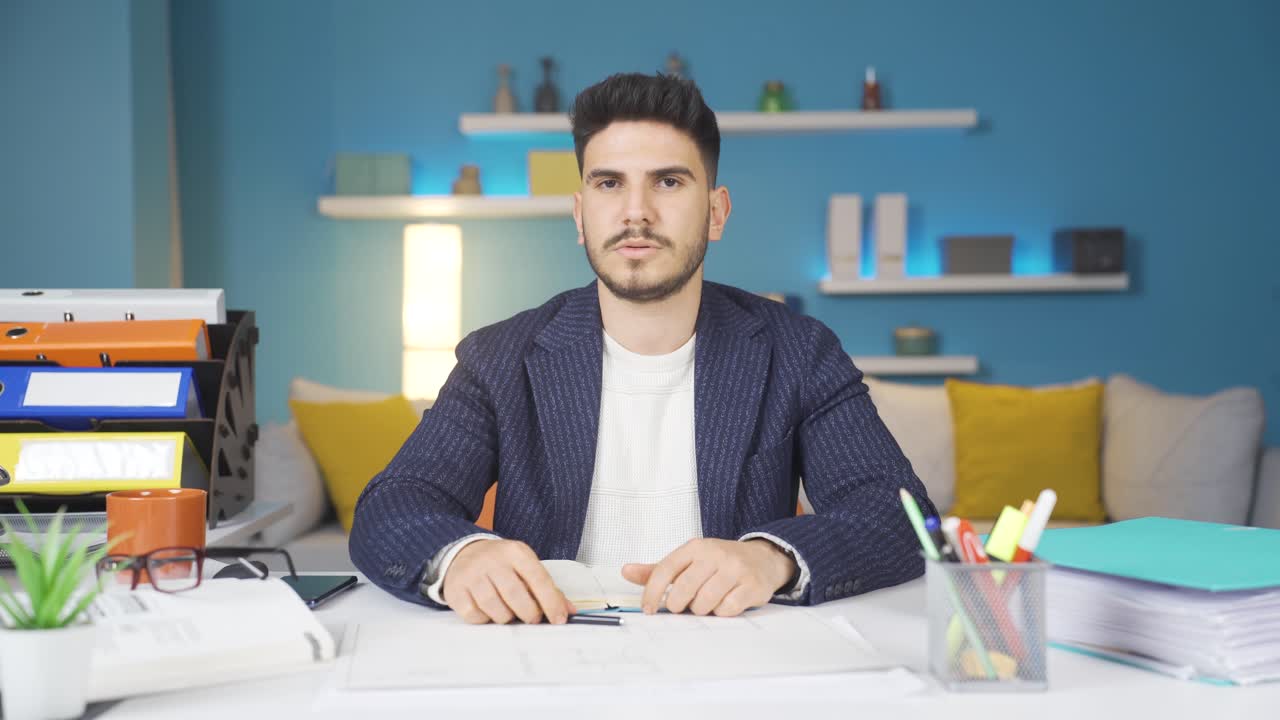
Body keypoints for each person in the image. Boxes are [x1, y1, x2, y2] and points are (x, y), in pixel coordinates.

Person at [349, 72, 936, 625]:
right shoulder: (498, 357)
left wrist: (770, 557)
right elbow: (396, 503)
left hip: (733, 656)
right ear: (581, 216)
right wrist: (461, 557)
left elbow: (900, 512)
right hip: (546, 652)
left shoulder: (798, 350)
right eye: (609, 183)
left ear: (716, 212)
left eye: (669, 181)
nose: (636, 212)